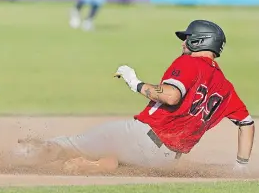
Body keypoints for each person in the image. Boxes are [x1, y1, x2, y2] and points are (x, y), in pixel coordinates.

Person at [40, 20, 255, 175]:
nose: (183, 43)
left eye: (187, 38)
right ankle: (103, 165)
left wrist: (135, 83)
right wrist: (241, 164)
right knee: (114, 156)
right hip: (166, 161)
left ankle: (21, 155)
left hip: (143, 137)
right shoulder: (226, 87)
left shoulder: (189, 63)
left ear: (199, 42)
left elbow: (171, 96)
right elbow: (246, 123)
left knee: (72, 144)